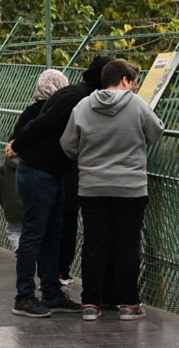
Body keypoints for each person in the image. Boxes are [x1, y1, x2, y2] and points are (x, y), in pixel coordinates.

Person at [5, 56, 112, 317]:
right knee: (33, 235)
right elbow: (41, 123)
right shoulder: (75, 96)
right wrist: (17, 145)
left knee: (53, 234)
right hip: (38, 171)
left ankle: (51, 293)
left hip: (52, 173)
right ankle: (24, 297)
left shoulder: (85, 97)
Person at [60, 59, 165, 321]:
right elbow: (156, 132)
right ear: (125, 81)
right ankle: (129, 304)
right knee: (127, 245)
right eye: (134, 82)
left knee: (94, 244)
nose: (135, 87)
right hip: (130, 188)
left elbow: (68, 145)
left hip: (92, 187)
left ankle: (90, 305)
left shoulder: (83, 106)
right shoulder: (136, 104)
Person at [0, 69, 70, 253]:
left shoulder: (29, 112)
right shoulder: (65, 112)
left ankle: (25, 264)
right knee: (50, 228)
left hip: (26, 176)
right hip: (54, 175)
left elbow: (14, 144)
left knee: (26, 230)